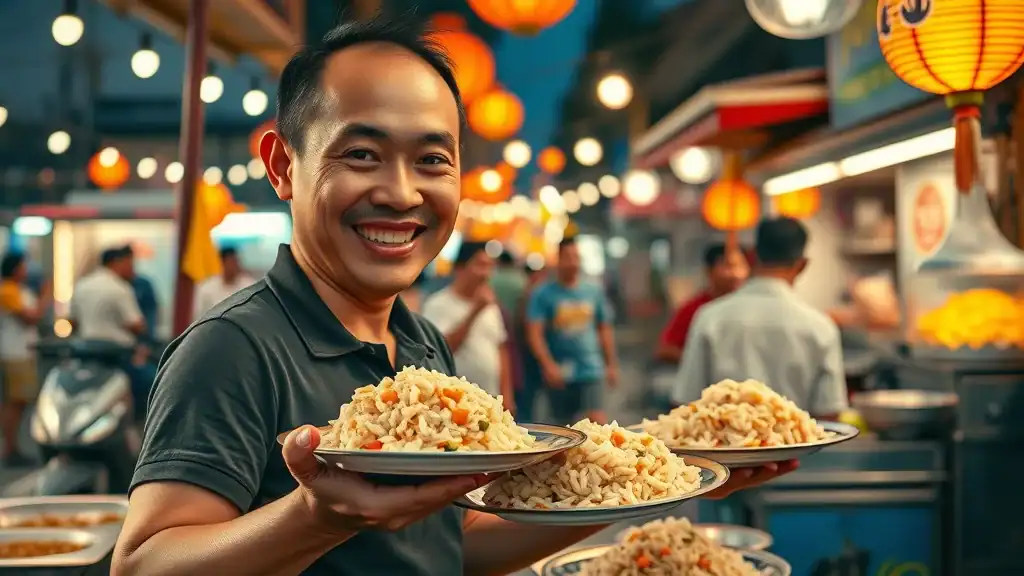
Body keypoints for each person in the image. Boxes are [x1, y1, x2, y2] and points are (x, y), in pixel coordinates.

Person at [111, 16, 795, 576]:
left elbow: (451, 545)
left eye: (432, 160)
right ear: (283, 166)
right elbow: (142, 563)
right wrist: (315, 517)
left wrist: (643, 482)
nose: (402, 192)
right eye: (362, 154)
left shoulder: (417, 343)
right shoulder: (232, 348)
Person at [672, 217, 849, 420]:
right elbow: (829, 412)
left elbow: (685, 402)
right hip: (794, 450)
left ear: (753, 256)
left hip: (720, 448)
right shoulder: (820, 326)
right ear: (802, 265)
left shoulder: (710, 317)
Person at [526, 237, 619, 424]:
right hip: (560, 373)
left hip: (591, 370)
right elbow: (534, 333)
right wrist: (547, 365)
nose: (573, 262)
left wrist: (611, 363)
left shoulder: (593, 291)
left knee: (597, 422)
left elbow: (604, 328)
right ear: (558, 259)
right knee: (564, 427)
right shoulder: (543, 294)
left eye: (576, 257)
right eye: (568, 257)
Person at [421, 242, 513, 408]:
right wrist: (475, 312)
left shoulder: (490, 304)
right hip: (455, 405)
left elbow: (501, 349)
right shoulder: (438, 304)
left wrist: (507, 396)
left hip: (490, 401)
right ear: (460, 268)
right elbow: (441, 351)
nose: (486, 274)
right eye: (480, 265)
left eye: (489, 267)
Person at [656, 242, 748, 364]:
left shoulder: (750, 307)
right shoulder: (696, 309)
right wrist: (702, 360)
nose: (735, 274)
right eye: (727, 266)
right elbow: (666, 349)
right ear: (709, 271)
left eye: (741, 266)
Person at [0, 252, 49, 466]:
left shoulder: (19, 290)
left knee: (19, 403)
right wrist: (46, 296)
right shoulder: (8, 291)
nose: (26, 270)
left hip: (22, 353)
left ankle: (12, 447)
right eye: (23, 265)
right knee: (15, 403)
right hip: (15, 353)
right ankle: (10, 448)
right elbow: (30, 318)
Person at [514, 264, 547, 422]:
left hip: (531, 355)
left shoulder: (530, 295)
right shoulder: (530, 296)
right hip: (527, 356)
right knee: (528, 400)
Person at [191, 247, 256, 321]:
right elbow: (198, 317)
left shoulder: (249, 286)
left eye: (235, 262)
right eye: (230, 263)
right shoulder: (208, 289)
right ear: (222, 263)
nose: (233, 267)